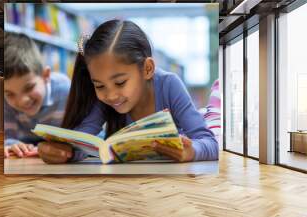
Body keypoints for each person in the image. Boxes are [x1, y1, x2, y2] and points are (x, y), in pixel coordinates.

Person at [37, 19, 218, 164]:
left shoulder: (169, 84)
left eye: (120, 82)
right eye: (99, 86)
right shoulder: (106, 100)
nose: (110, 95)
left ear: (147, 69)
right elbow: (83, 140)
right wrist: (62, 152)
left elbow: (211, 143)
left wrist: (191, 151)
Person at [4, 32, 71, 158]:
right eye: (10, 94)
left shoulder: (65, 89)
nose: (22, 100)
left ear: (45, 76)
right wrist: (11, 144)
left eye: (29, 87)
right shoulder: (4, 100)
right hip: (29, 149)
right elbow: (8, 138)